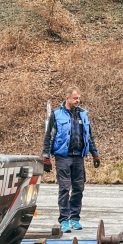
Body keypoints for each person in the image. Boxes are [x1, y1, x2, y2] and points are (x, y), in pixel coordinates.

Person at [42, 86, 100, 233]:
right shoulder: (56, 114)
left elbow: (89, 136)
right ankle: (64, 220)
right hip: (63, 157)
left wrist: (95, 154)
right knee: (64, 188)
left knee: (78, 188)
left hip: (79, 157)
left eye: (78, 98)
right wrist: (46, 156)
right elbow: (49, 136)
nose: (77, 101)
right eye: (75, 98)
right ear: (67, 98)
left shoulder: (83, 115)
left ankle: (75, 218)